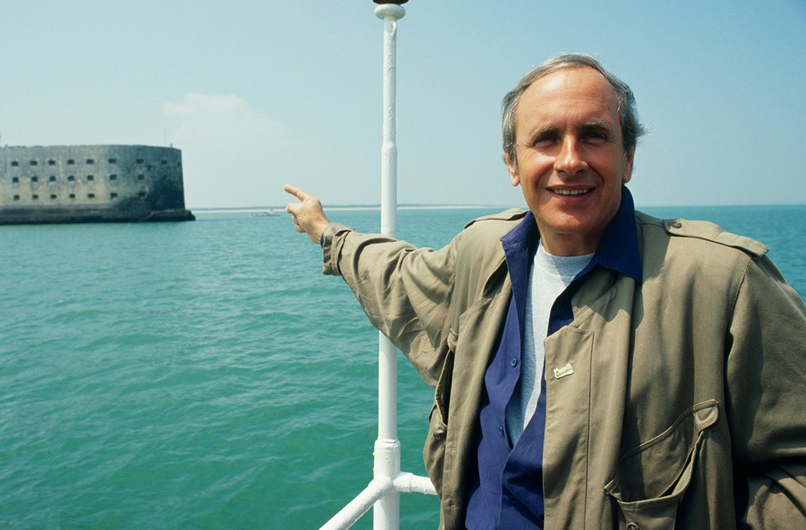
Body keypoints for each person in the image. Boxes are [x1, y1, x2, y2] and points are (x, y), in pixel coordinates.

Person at [284, 53, 806, 529]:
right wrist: (326, 232)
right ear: (513, 164)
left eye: (595, 135)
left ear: (628, 159)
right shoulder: (484, 254)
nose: (570, 159)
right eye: (546, 139)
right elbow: (399, 274)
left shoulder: (722, 283)